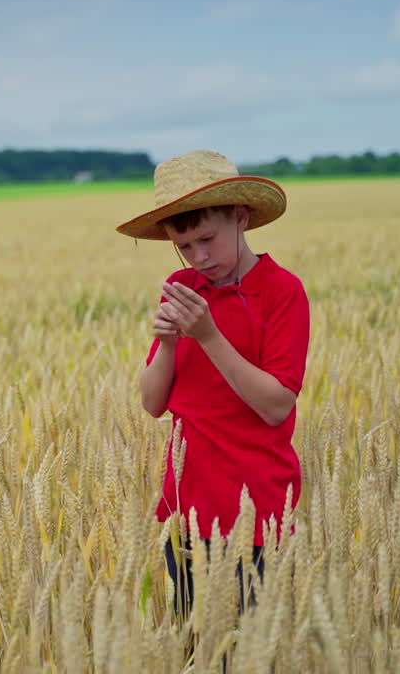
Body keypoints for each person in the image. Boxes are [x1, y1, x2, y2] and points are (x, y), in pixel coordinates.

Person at [116, 150, 310, 620]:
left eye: (208, 239)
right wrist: (166, 343)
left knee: (249, 646)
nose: (199, 257)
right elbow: (152, 403)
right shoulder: (184, 286)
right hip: (185, 506)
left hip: (256, 509)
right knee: (191, 642)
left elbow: (276, 406)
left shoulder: (282, 291)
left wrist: (207, 335)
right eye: (185, 247)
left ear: (240, 217)